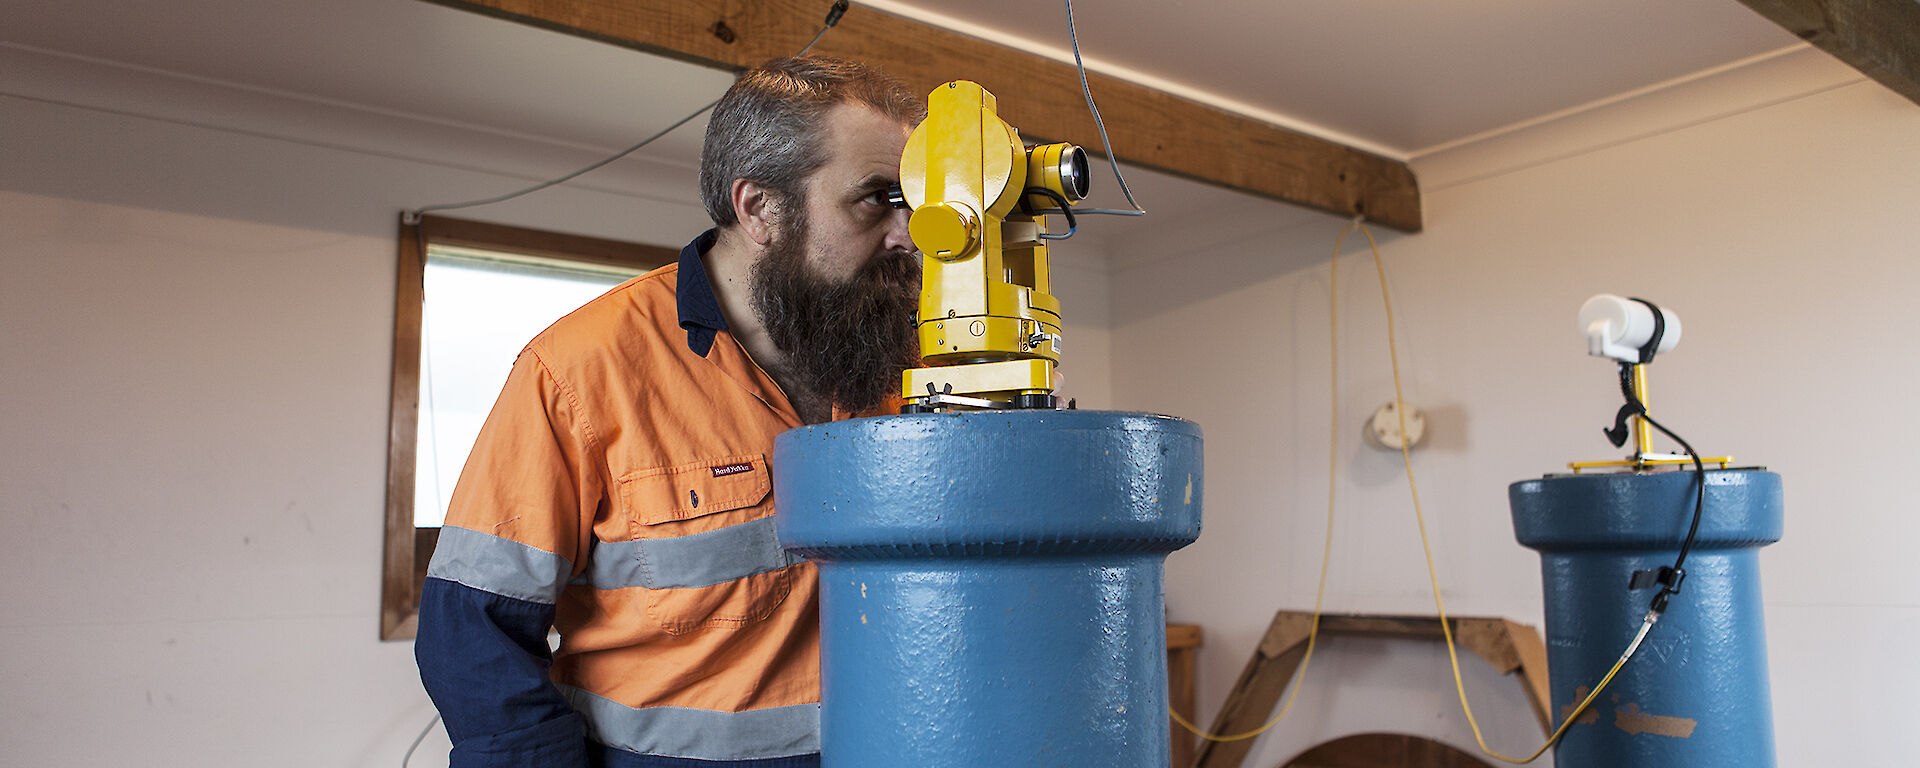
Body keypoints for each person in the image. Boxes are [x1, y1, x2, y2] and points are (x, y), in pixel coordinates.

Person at [415, 56, 926, 767]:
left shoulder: (910, 362)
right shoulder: (578, 370)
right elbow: (474, 634)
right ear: (760, 209)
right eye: (876, 199)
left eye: (914, 203)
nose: (908, 234)